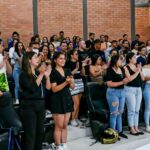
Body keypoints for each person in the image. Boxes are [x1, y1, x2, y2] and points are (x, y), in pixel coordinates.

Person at [19, 51, 51, 150]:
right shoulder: (24, 74)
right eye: (35, 57)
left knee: (40, 134)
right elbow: (32, 88)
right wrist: (42, 74)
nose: (38, 59)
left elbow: (48, 88)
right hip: (29, 106)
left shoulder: (37, 73)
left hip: (40, 105)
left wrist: (47, 76)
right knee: (31, 136)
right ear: (29, 60)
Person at [50, 51, 75, 150]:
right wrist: (66, 82)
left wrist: (71, 82)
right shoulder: (53, 72)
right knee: (59, 125)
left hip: (67, 98)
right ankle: (57, 145)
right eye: (60, 58)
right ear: (55, 60)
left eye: (64, 58)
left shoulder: (68, 70)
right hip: (57, 100)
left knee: (65, 125)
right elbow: (54, 89)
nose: (63, 60)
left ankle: (64, 144)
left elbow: (72, 87)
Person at [0, 43, 22, 132]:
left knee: (13, 123)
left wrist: (6, 61)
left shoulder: (1, 57)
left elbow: (9, 73)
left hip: (4, 91)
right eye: (1, 45)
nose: (2, 47)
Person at [106, 55, 128, 139]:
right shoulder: (110, 70)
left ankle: (120, 131)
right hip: (113, 93)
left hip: (122, 92)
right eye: (120, 60)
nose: (121, 61)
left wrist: (126, 70)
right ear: (115, 61)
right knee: (114, 113)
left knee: (120, 112)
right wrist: (122, 82)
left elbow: (127, 79)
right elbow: (109, 84)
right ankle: (113, 133)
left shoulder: (122, 69)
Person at [124, 52, 145, 135]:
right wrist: (137, 71)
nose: (136, 59)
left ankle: (136, 127)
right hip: (130, 89)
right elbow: (129, 79)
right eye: (134, 57)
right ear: (129, 59)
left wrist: (139, 70)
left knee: (137, 110)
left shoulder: (138, 67)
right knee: (131, 110)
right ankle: (131, 128)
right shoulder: (126, 67)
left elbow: (143, 78)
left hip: (138, 89)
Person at [65, 49, 84, 127]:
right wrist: (76, 68)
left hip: (80, 81)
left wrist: (82, 67)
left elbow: (83, 74)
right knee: (76, 103)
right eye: (76, 54)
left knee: (79, 103)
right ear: (71, 55)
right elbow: (69, 74)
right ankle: (72, 119)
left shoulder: (78, 62)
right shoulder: (68, 63)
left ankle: (76, 118)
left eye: (77, 54)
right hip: (73, 82)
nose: (77, 55)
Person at [142, 53, 150, 132]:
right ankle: (147, 125)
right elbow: (143, 78)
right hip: (148, 87)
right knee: (148, 108)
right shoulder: (145, 67)